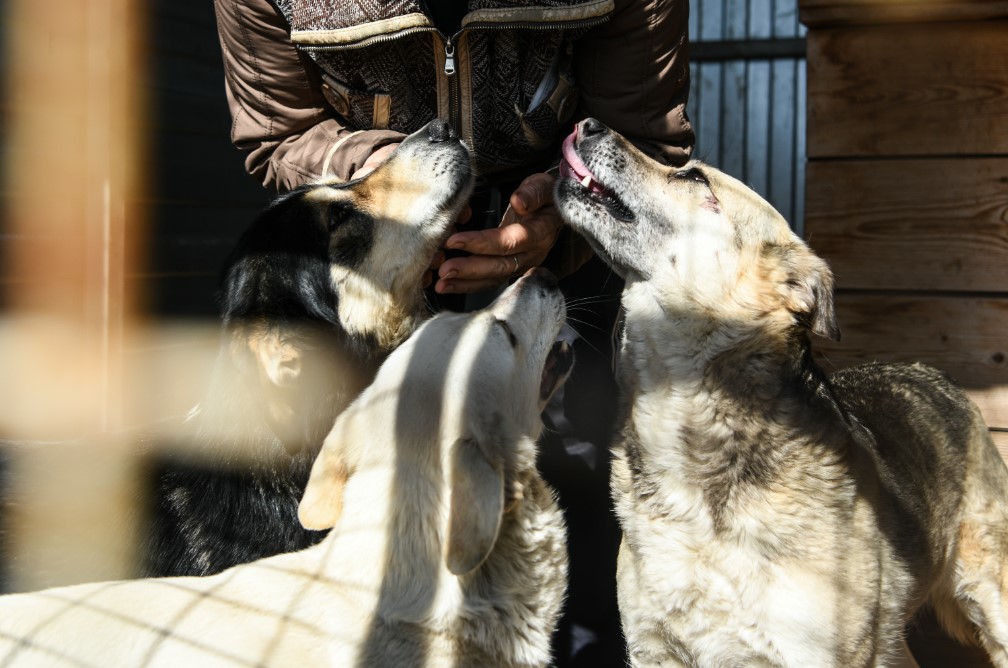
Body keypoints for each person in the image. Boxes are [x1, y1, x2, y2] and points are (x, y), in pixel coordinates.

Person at [213, 1, 694, 664]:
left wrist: (560, 210)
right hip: (384, 257)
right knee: (370, 498)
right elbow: (281, 132)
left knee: (587, 480)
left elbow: (644, 134)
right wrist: (396, 186)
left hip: (568, 219)